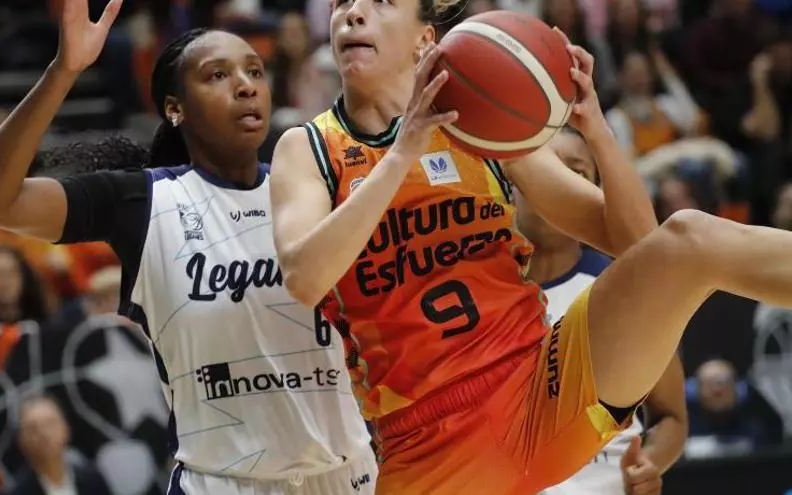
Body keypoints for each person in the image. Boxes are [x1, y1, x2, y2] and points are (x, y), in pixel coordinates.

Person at [268, 0, 792, 493]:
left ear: (424, 39)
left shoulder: (476, 121)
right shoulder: (309, 147)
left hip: (543, 384)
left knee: (689, 238)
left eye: (381, 1)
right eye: (341, 2)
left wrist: (596, 129)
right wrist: (402, 155)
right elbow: (305, 278)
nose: (353, 13)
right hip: (426, 441)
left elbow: (637, 245)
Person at [0, 1, 376, 494]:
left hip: (351, 476)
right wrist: (64, 71)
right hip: (222, 483)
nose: (245, 85)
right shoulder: (145, 201)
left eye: (254, 71)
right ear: (174, 108)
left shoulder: (321, 187)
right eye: (217, 74)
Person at [518, 129, 687, 495]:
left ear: (595, 193)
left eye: (576, 172)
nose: (560, 184)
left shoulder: (627, 287)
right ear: (513, 180)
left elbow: (671, 416)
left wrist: (650, 464)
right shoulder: (477, 291)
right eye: (547, 168)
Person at [1, 395, 112, 495]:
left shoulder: (93, 480)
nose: (43, 434)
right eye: (32, 429)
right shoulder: (14, 492)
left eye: (49, 424)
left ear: (66, 429)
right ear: (21, 440)